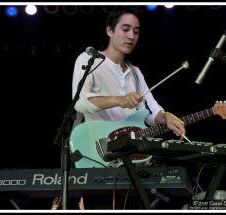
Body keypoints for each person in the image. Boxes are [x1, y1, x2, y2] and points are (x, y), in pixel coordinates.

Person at [71, 7, 186, 209]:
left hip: (133, 161)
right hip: (100, 155)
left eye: (136, 31)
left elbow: (152, 113)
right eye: (125, 29)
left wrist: (167, 118)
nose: (131, 36)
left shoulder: (136, 73)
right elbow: (80, 102)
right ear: (109, 31)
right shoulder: (89, 60)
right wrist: (119, 99)